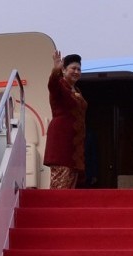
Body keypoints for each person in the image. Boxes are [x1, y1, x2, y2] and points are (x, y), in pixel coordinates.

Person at [44, 50, 88, 189]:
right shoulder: (60, 85)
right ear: (64, 70)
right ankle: (53, 211)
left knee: (70, 184)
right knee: (61, 183)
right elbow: (52, 85)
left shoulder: (76, 90)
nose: (76, 71)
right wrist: (55, 71)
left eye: (79, 69)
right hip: (61, 141)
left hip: (74, 146)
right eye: (73, 68)